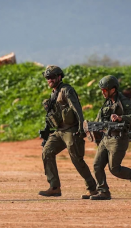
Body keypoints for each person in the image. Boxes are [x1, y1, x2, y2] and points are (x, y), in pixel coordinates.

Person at [38, 65, 97, 199]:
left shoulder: (66, 90)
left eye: (52, 77)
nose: (49, 80)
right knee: (47, 152)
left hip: (71, 130)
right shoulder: (53, 93)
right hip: (59, 131)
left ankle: (92, 188)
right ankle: (54, 187)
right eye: (47, 78)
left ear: (59, 77)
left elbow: (77, 109)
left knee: (76, 159)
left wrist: (81, 128)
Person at [90, 75, 131, 200]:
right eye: (102, 90)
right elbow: (99, 119)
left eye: (104, 90)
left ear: (113, 90)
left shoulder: (124, 102)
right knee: (97, 165)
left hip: (119, 138)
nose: (102, 92)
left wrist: (121, 118)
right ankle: (103, 191)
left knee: (114, 169)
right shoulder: (107, 103)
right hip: (106, 138)